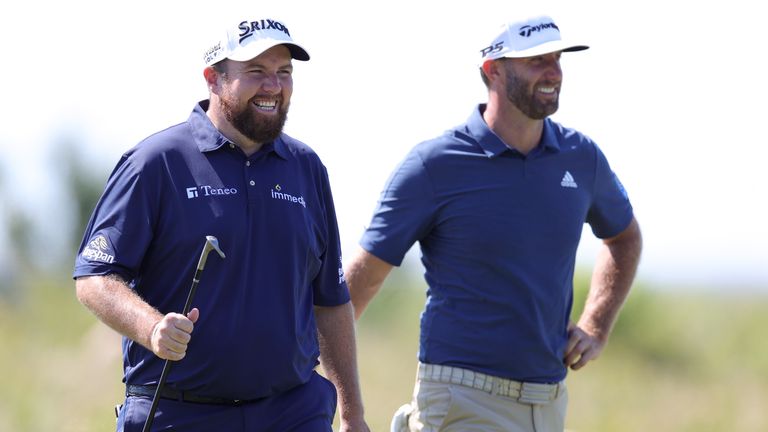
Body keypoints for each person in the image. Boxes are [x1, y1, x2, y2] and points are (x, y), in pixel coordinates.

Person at [344, 14, 643, 432]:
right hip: (460, 398)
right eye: (536, 61)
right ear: (493, 71)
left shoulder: (582, 157)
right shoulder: (434, 165)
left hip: (549, 402)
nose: (553, 72)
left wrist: (596, 324)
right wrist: (321, 382)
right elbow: (363, 279)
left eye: (557, 58)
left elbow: (624, 238)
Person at [73, 16, 369, 432]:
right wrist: (152, 327)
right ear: (213, 79)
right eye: (256, 72)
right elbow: (95, 277)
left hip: (292, 412)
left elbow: (331, 300)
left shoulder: (307, 169)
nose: (273, 86)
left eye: (284, 73)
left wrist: (353, 416)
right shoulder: (156, 163)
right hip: (180, 412)